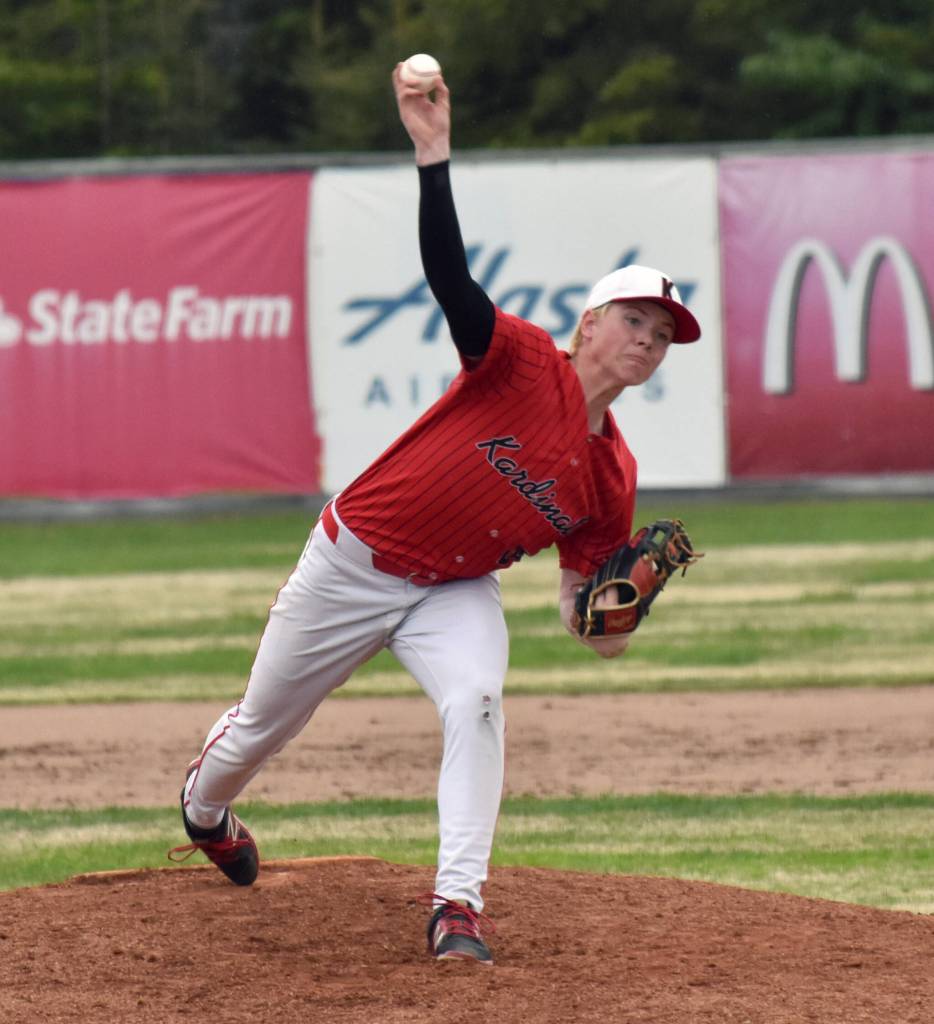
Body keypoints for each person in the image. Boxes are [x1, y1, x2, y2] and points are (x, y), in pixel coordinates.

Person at [168, 63, 701, 966]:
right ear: (589, 323)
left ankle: (458, 906)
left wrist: (612, 614)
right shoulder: (519, 361)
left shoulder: (613, 475)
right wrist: (433, 154)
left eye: (662, 336)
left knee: (478, 700)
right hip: (353, 561)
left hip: (453, 590)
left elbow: (583, 616)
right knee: (264, 726)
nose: (648, 342)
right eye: (635, 321)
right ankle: (204, 806)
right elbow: (452, 280)